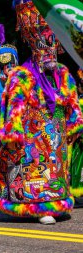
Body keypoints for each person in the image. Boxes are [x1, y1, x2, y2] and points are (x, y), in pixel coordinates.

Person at [0, 0, 83, 225]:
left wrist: (75, 124)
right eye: (45, 46)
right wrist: (13, 133)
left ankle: (55, 201)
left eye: (53, 45)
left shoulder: (63, 73)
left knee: (56, 169)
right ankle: (36, 205)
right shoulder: (22, 75)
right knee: (35, 169)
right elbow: (12, 109)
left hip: (57, 139)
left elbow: (72, 103)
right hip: (33, 140)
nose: (50, 52)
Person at [70, 69, 83, 198]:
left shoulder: (79, 103)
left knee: (77, 166)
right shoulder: (78, 102)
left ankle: (76, 190)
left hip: (78, 140)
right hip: (78, 141)